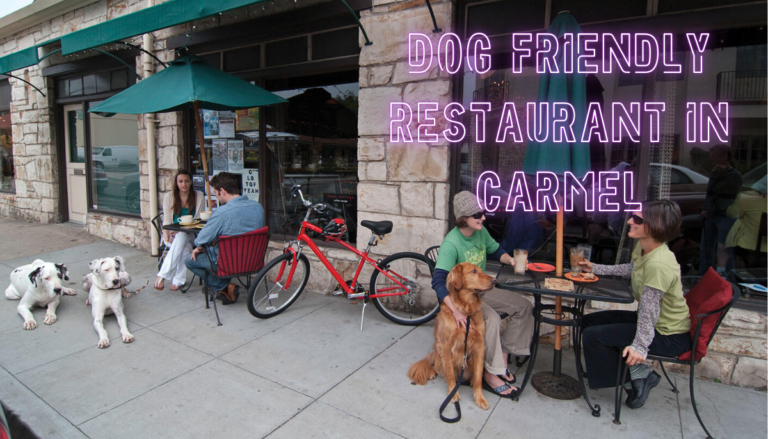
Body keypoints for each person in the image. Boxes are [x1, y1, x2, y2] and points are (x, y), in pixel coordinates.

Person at [579, 200, 691, 409]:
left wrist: (639, 347)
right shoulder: (645, 247)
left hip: (668, 334)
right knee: (588, 322)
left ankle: (636, 377)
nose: (630, 220)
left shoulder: (659, 264)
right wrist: (595, 268)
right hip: (653, 323)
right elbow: (631, 268)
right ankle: (626, 372)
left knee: (593, 336)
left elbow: (649, 311)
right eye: (633, 216)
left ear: (656, 225)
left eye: (638, 219)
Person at [432, 191, 535, 397]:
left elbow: (496, 250)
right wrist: (456, 312)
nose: (484, 217)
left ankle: (501, 361)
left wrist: (511, 260)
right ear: (464, 218)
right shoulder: (451, 244)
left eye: (483, 213)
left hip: (484, 291)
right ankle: (490, 374)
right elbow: (438, 282)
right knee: (493, 319)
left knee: (524, 307)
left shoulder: (480, 232)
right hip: (464, 299)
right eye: (478, 214)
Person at [185, 172, 264, 303]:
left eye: (215, 192)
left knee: (189, 261)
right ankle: (223, 288)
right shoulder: (258, 207)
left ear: (222, 191)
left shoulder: (221, 213)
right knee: (219, 252)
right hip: (253, 261)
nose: (216, 196)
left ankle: (222, 286)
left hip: (228, 264)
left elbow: (201, 240)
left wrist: (198, 247)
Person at [155, 170, 206, 291]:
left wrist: (184, 230)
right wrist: (167, 233)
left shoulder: (198, 196)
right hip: (172, 235)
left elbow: (198, 221)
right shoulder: (169, 197)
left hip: (191, 234)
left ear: (191, 182)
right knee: (184, 246)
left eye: (187, 181)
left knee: (183, 237)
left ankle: (162, 276)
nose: (184, 184)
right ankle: (178, 280)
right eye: (181, 181)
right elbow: (167, 219)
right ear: (176, 183)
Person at [699, 145, 742, 275]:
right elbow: (710, 193)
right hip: (712, 213)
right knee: (707, 246)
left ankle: (726, 276)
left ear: (725, 156)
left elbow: (718, 190)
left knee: (724, 247)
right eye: (711, 155)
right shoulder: (716, 173)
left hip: (725, 215)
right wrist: (706, 208)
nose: (711, 158)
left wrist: (716, 174)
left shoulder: (734, 175)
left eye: (714, 155)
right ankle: (705, 274)